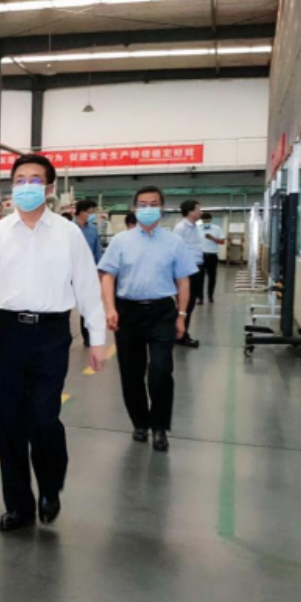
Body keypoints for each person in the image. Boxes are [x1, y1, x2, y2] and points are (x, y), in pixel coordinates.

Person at [0, 154, 107, 532]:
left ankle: (50, 486)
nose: (26, 186)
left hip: (50, 334)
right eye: (20, 179)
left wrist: (97, 338)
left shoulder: (68, 234)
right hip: (5, 332)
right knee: (10, 422)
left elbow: (87, 286)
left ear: (49, 188)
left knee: (44, 418)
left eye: (34, 180)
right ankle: (18, 506)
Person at [98, 186, 198, 452]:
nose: (148, 208)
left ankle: (160, 427)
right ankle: (140, 423)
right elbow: (107, 276)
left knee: (161, 371)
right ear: (134, 208)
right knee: (131, 373)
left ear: (162, 208)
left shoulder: (174, 242)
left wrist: (182, 315)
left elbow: (183, 280)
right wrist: (110, 308)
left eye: (154, 203)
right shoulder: (121, 241)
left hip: (162, 312)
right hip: (128, 312)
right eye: (143, 204)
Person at [172, 200, 205, 348]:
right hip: (187, 269)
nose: (200, 212)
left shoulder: (194, 227)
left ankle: (181, 333)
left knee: (190, 303)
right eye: (198, 209)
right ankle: (180, 335)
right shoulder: (181, 228)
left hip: (196, 267)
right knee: (185, 303)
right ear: (190, 211)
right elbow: (174, 249)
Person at [74, 199, 102, 347]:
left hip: (87, 271)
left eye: (93, 212)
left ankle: (87, 336)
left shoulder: (93, 230)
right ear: (80, 212)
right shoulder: (69, 228)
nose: (92, 215)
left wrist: (99, 272)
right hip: (70, 272)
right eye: (90, 212)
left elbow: (97, 251)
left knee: (87, 305)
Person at [198, 213, 225, 303]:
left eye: (208, 220)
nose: (206, 222)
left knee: (212, 277)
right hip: (200, 256)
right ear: (202, 220)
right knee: (200, 278)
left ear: (211, 219)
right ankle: (200, 298)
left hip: (212, 256)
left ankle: (210, 296)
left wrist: (212, 238)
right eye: (204, 221)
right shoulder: (197, 229)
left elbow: (222, 242)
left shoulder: (217, 228)